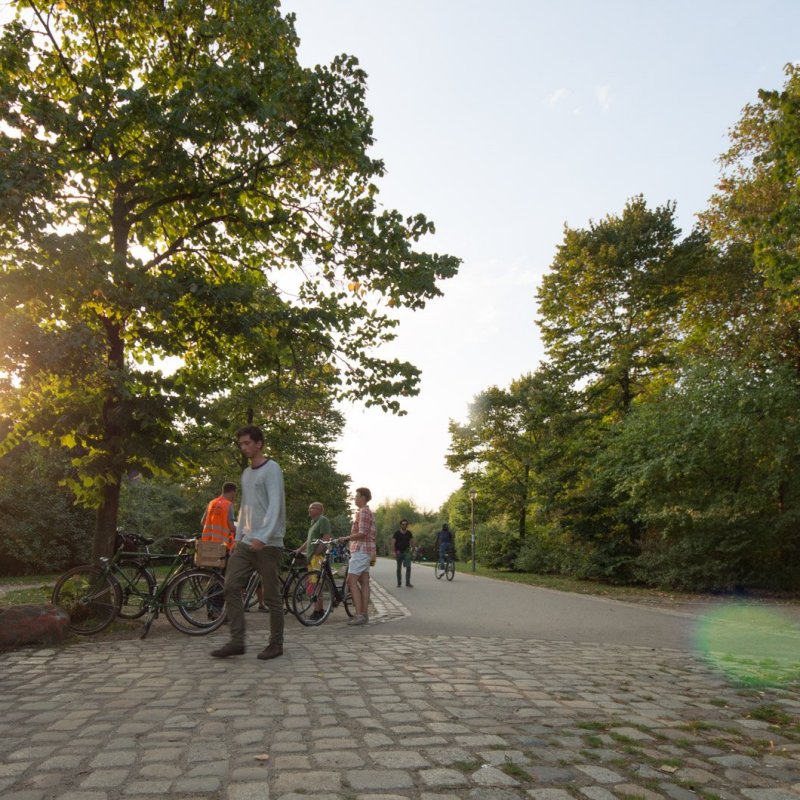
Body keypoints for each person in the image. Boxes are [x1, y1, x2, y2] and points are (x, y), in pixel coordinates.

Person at [211, 425, 286, 660]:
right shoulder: (246, 474)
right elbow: (246, 507)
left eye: (247, 443)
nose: (243, 448)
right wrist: (240, 537)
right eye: (241, 444)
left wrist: (263, 537)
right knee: (231, 585)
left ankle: (276, 644)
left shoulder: (272, 469)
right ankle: (237, 641)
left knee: (272, 596)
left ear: (259, 443)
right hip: (246, 543)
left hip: (269, 543)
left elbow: (276, 504)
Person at [338, 486, 375, 627]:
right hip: (365, 550)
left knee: (351, 581)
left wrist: (346, 538)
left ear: (363, 498)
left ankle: (359, 615)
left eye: (356, 496)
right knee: (364, 581)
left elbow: (362, 533)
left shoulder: (364, 512)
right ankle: (364, 614)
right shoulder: (365, 511)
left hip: (361, 550)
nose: (355, 499)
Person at [300, 501, 332, 622]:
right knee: (314, 584)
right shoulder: (313, 522)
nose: (309, 510)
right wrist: (300, 549)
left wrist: (317, 551)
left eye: (311, 508)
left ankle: (319, 611)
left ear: (318, 510)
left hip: (317, 558)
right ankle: (318, 610)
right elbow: (309, 540)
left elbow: (326, 537)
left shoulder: (323, 520)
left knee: (317, 584)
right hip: (312, 557)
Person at [392, 519, 414, 588]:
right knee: (399, 567)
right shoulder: (397, 533)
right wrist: (393, 551)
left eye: (406, 524)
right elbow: (393, 543)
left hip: (407, 552)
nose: (404, 525)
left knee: (408, 567)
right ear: (400, 525)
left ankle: (408, 583)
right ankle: (399, 583)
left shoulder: (409, 533)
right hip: (399, 552)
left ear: (407, 525)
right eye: (403, 524)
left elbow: (412, 542)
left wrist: (412, 551)